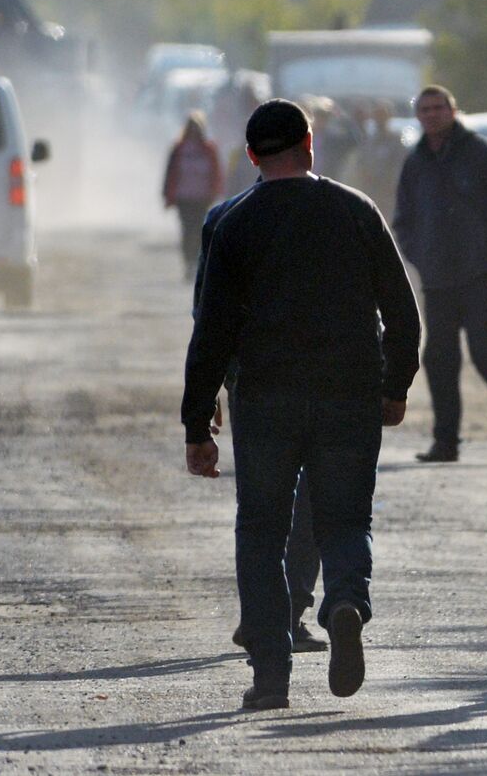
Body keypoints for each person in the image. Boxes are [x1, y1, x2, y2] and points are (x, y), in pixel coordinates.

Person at [182, 99, 421, 711]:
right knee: (344, 520)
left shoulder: (235, 224)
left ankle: (270, 677)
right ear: (311, 146)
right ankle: (344, 601)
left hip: (265, 401)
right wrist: (395, 386)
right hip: (349, 396)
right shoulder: (356, 211)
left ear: (252, 156)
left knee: (261, 532)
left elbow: (210, 330)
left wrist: (198, 418)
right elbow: (402, 311)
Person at [192, 180, 326, 657]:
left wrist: (210, 386)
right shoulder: (331, 211)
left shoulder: (225, 216)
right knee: (303, 498)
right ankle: (281, 613)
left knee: (263, 509)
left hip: (252, 380)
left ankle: (271, 617)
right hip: (306, 381)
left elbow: (204, 314)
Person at [394, 85, 487, 463]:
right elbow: (403, 222)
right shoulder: (416, 162)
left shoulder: (479, 152)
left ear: (453, 110)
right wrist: (420, 257)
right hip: (438, 279)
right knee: (440, 358)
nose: (432, 114)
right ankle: (446, 442)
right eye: (424, 109)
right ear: (418, 116)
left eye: (438, 107)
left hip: (480, 275)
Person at [162, 111, 224, 279]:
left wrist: (216, 191)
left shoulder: (209, 149)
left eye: (197, 128)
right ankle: (188, 261)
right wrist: (167, 195)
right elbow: (170, 172)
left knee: (198, 229)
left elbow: (216, 171)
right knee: (186, 229)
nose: (194, 131)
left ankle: (196, 262)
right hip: (183, 197)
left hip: (202, 197)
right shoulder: (179, 148)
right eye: (191, 128)